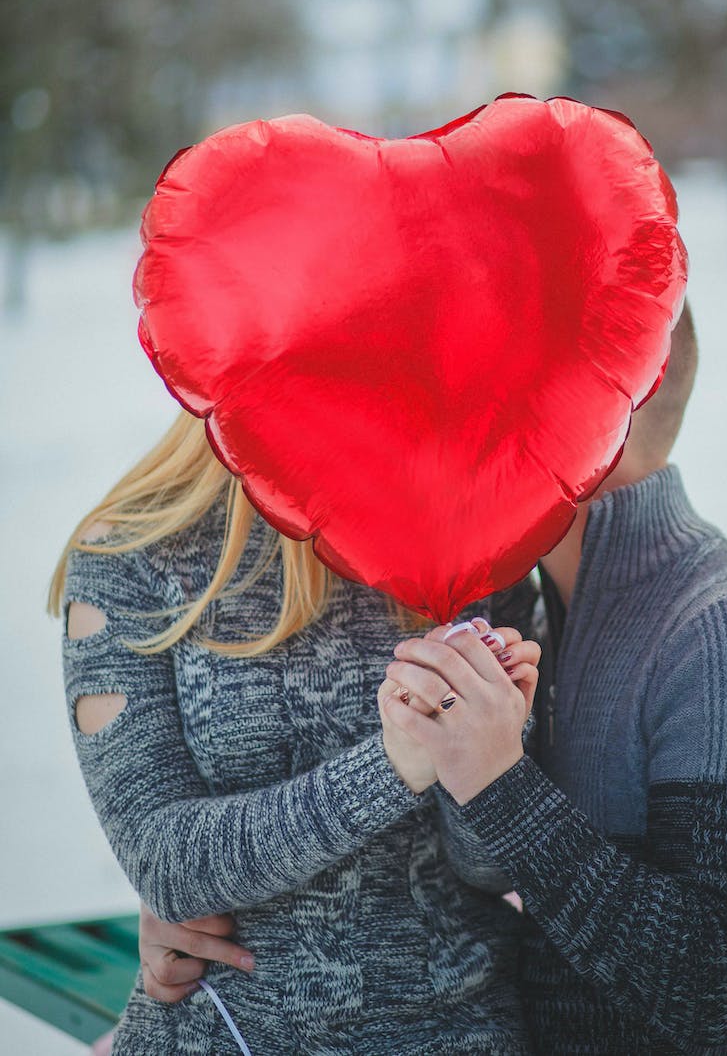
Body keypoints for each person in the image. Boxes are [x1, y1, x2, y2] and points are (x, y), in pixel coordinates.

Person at [383, 301, 727, 1053]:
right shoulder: (545, 620)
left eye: (485, 385)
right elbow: (494, 868)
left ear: (587, 403)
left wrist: (497, 781)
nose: (455, 418)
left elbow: (711, 993)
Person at [51, 410, 542, 1056]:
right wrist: (393, 765)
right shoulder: (128, 555)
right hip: (229, 1032)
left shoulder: (478, 538)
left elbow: (489, 870)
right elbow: (163, 865)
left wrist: (492, 760)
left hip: (462, 1028)